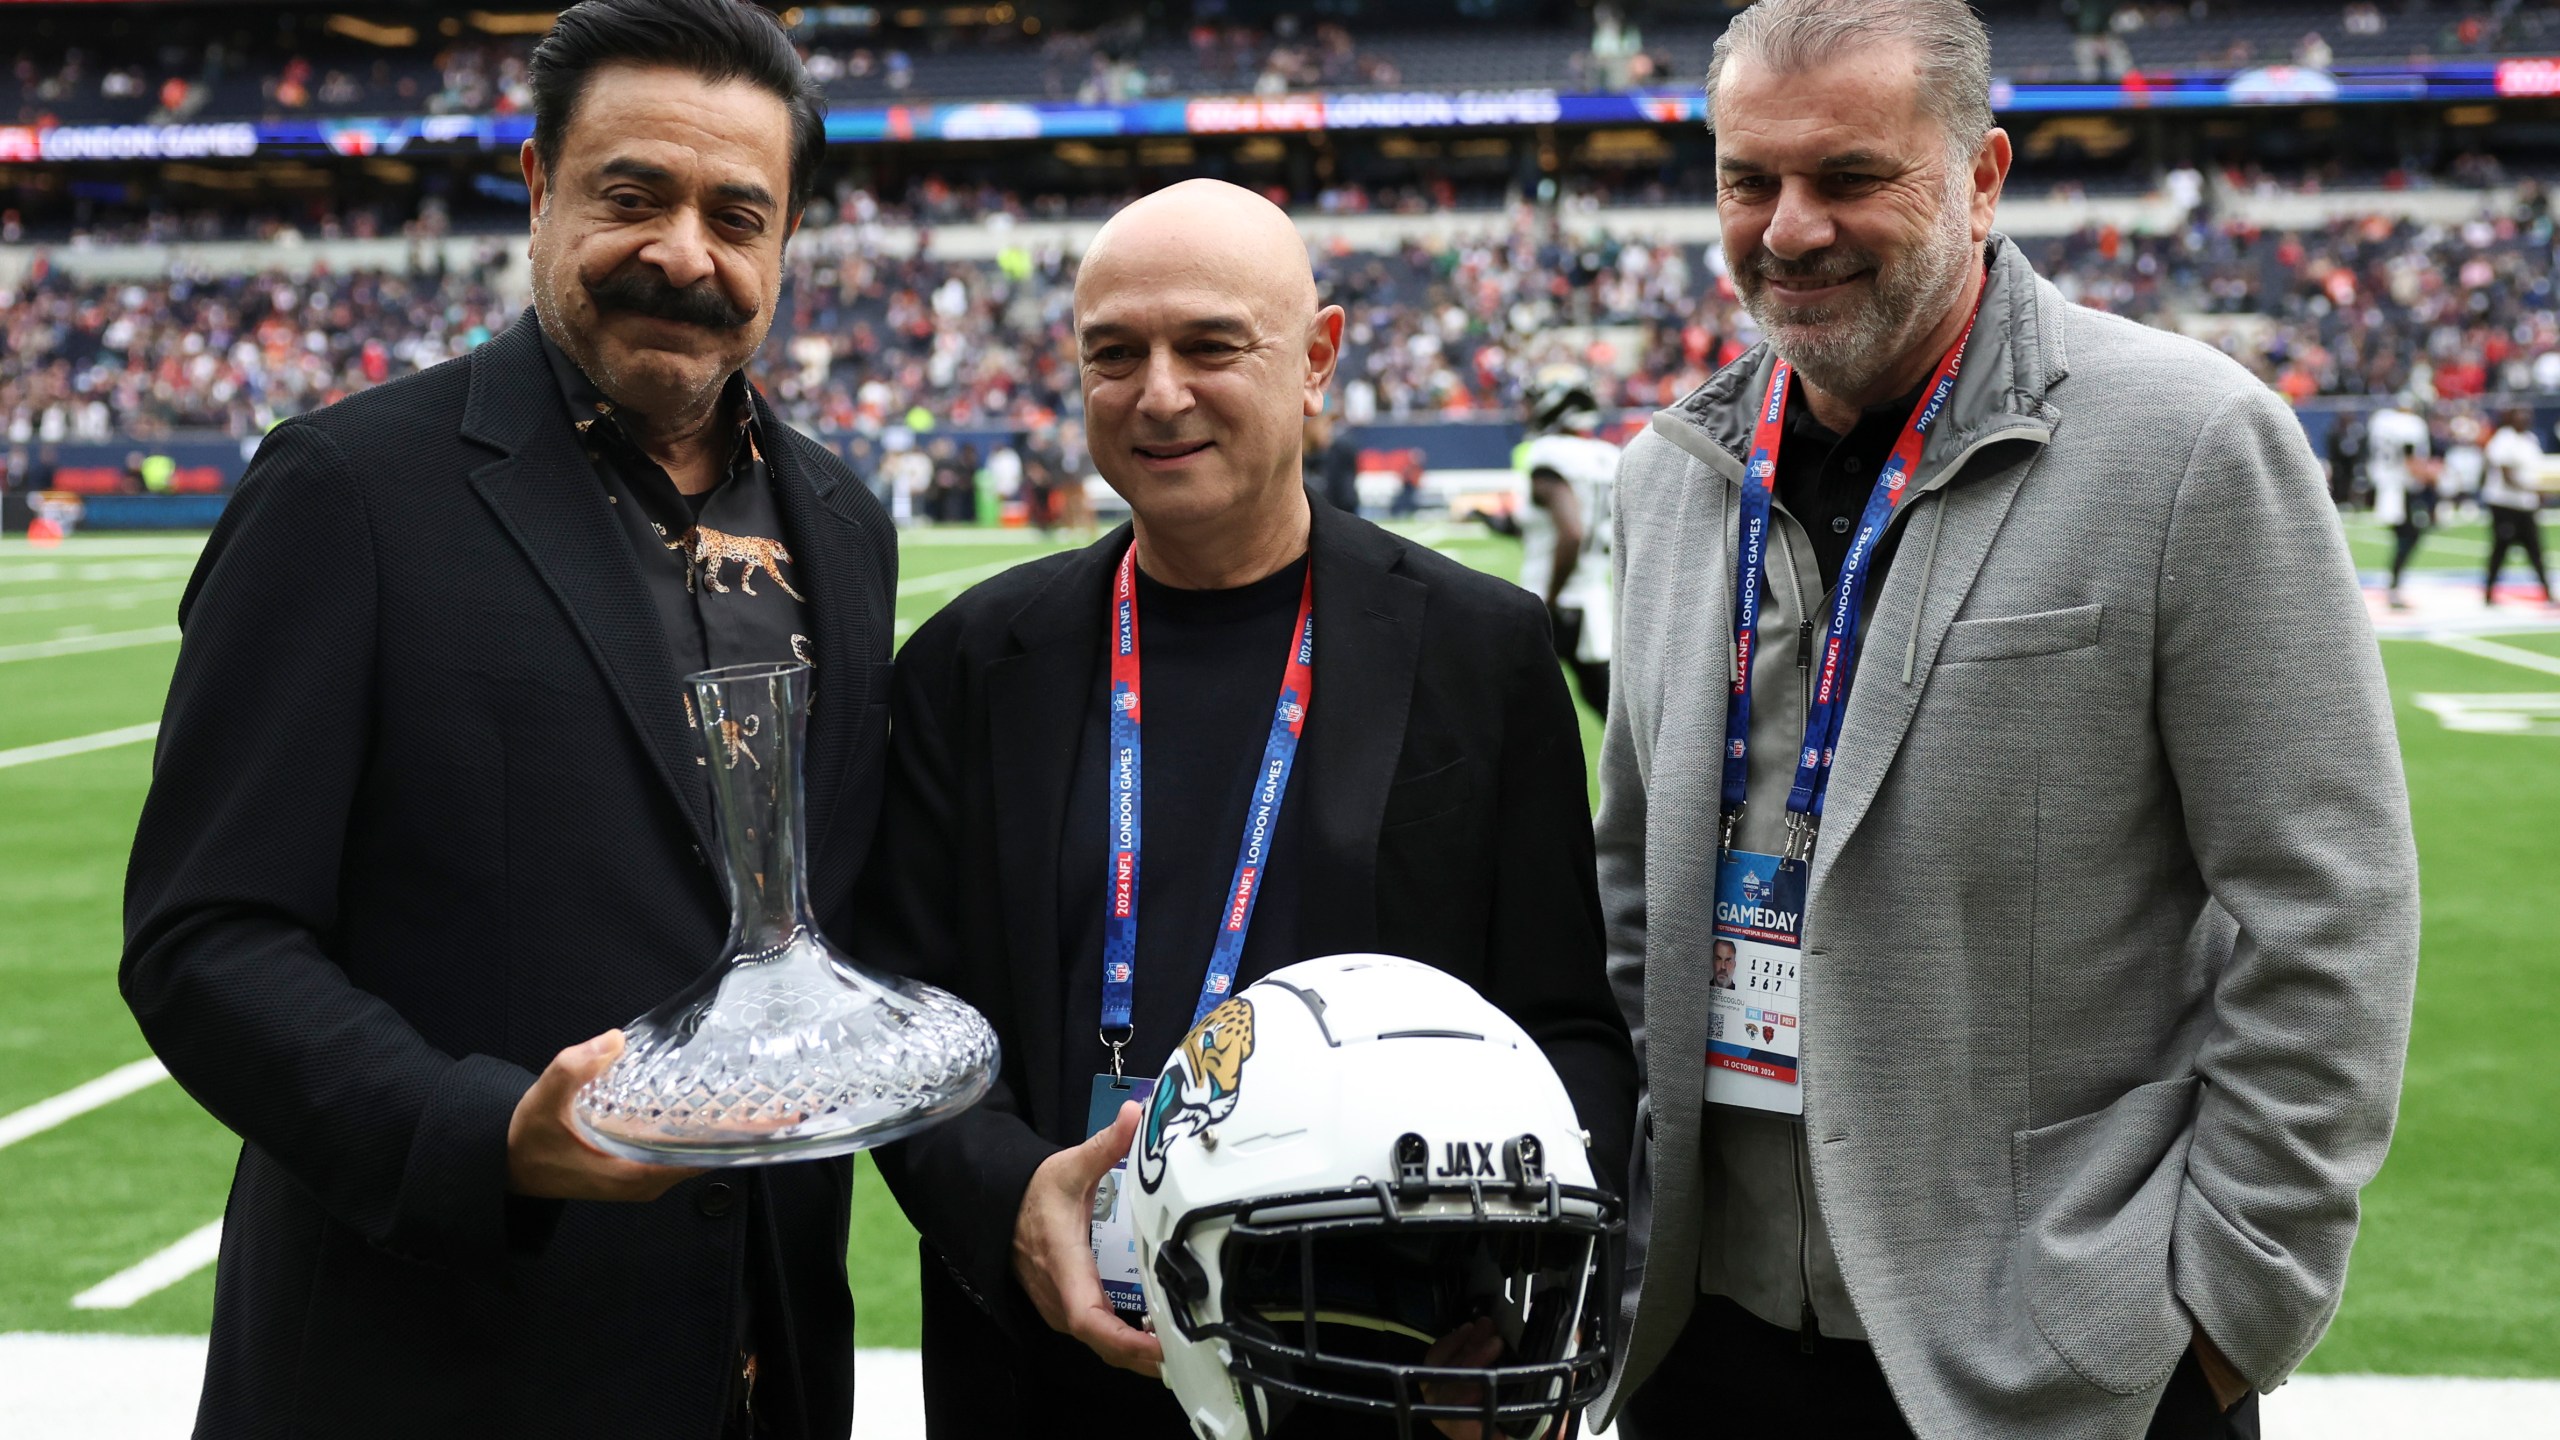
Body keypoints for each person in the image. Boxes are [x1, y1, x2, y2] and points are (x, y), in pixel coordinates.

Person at [1592, 4, 2421, 1440]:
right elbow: (1629, 886)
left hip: (2056, 1370)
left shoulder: (2190, 443)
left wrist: (2220, 1321)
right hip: (1699, 1348)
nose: (1789, 230)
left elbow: (2328, 914)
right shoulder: (1671, 482)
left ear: (1982, 178)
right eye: (1747, 179)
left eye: (1851, 176)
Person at [118, 3, 895, 1436]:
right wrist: (490, 1136)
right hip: (427, 1365)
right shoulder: (346, 491)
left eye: (739, 213)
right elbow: (202, 940)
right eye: (632, 194)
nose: (684, 251)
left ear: (787, 244)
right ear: (539, 188)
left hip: (755, 1362)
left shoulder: (843, 521)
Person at [853, 178, 1635, 1438]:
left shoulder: (1479, 651)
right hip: (1045, 1367)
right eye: (1115, 355)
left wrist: (1505, 1302)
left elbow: (1564, 1025)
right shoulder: (967, 662)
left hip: (1383, 1368)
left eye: (1211, 345)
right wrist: (1009, 1196)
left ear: (1316, 359)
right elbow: (903, 1013)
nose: (1158, 393)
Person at [1515, 372, 1620, 715]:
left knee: (1515, 704)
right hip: (1594, 596)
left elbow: (1571, 533)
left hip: (1556, 601)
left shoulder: (1548, 454)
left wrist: (1550, 598)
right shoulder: (1607, 456)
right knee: (1604, 702)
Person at [2366, 394, 2437, 607]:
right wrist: (2430, 477)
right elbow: (2410, 458)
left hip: (2384, 486)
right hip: (2400, 488)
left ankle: (2394, 586)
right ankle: (2394, 588)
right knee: (2409, 537)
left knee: (2406, 537)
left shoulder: (2381, 420)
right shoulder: (2410, 426)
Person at [2481, 407, 2554, 606]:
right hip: (2505, 504)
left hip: (2524, 505)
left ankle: (2547, 591)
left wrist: (2542, 489)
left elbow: (2536, 470)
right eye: (2520, 415)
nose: (2525, 418)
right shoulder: (2503, 439)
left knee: (2535, 549)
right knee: (2501, 548)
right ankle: (2488, 593)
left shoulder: (2530, 439)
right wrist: (2533, 489)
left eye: (2527, 414)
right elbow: (2506, 475)